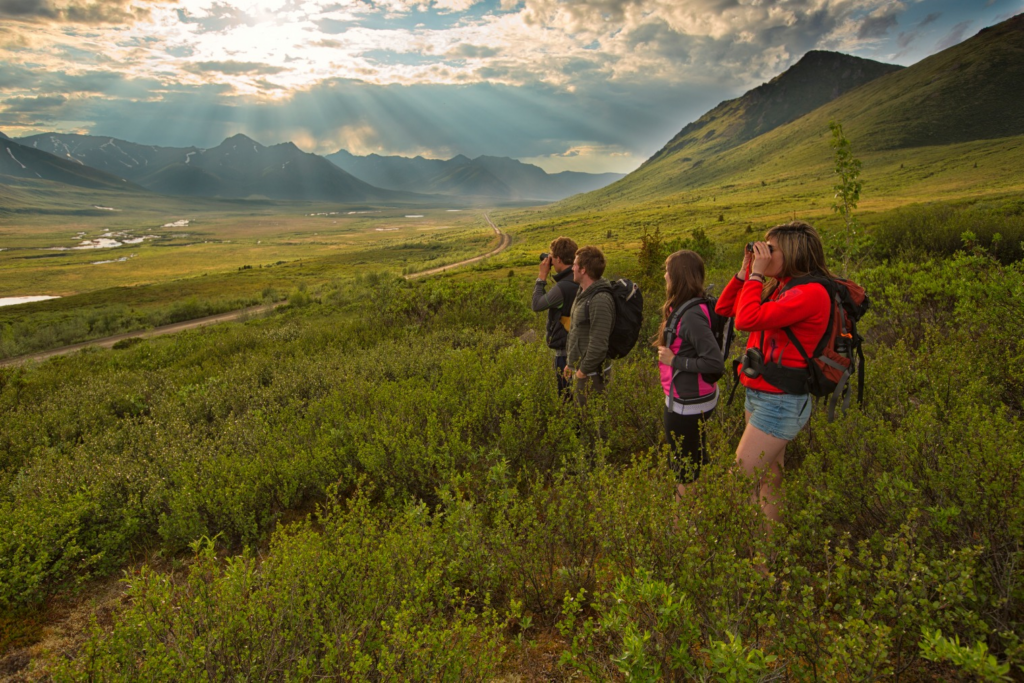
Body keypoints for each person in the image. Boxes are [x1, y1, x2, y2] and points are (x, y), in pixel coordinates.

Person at [715, 221, 833, 522]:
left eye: (771, 249)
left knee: (738, 481)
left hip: (780, 401)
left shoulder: (811, 292)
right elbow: (725, 309)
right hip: (761, 393)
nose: (763, 254)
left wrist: (757, 274)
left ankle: (740, 557)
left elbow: (746, 319)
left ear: (792, 253)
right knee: (770, 480)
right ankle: (765, 560)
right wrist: (746, 272)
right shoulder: (783, 287)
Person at [655, 250, 724, 494]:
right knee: (697, 459)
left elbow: (715, 363)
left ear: (678, 276)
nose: (664, 276)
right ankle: (700, 514)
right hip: (696, 399)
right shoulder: (694, 304)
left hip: (687, 404)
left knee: (684, 469)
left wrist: (676, 361)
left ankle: (684, 526)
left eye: (667, 271)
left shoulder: (691, 314)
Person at [564, 246, 615, 406]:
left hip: (593, 375)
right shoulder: (583, 293)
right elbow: (577, 332)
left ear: (583, 270)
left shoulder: (599, 300)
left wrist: (582, 371)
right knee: (584, 420)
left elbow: (599, 344)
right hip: (583, 371)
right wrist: (571, 363)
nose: (572, 268)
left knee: (596, 425)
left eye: (575, 265)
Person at [532, 237, 579, 398]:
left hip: (565, 353)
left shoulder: (563, 287)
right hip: (581, 348)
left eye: (552, 257)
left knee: (566, 399)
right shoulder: (581, 278)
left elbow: (537, 304)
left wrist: (541, 277)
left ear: (558, 259)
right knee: (580, 400)